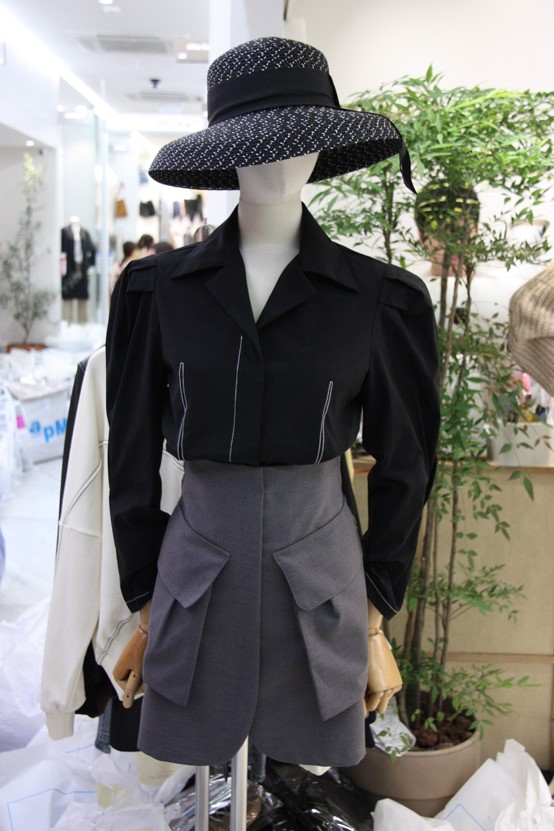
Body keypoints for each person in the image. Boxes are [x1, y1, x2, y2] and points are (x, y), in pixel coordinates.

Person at [106, 36, 440, 768]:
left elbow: (407, 465)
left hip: (324, 576)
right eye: (257, 145)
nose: (281, 162)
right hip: (193, 571)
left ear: (325, 148)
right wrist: (144, 592)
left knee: (309, 747)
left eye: (300, 141)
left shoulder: (380, 300)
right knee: (192, 750)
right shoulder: (156, 293)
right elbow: (128, 456)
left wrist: (375, 602)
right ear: (226, 154)